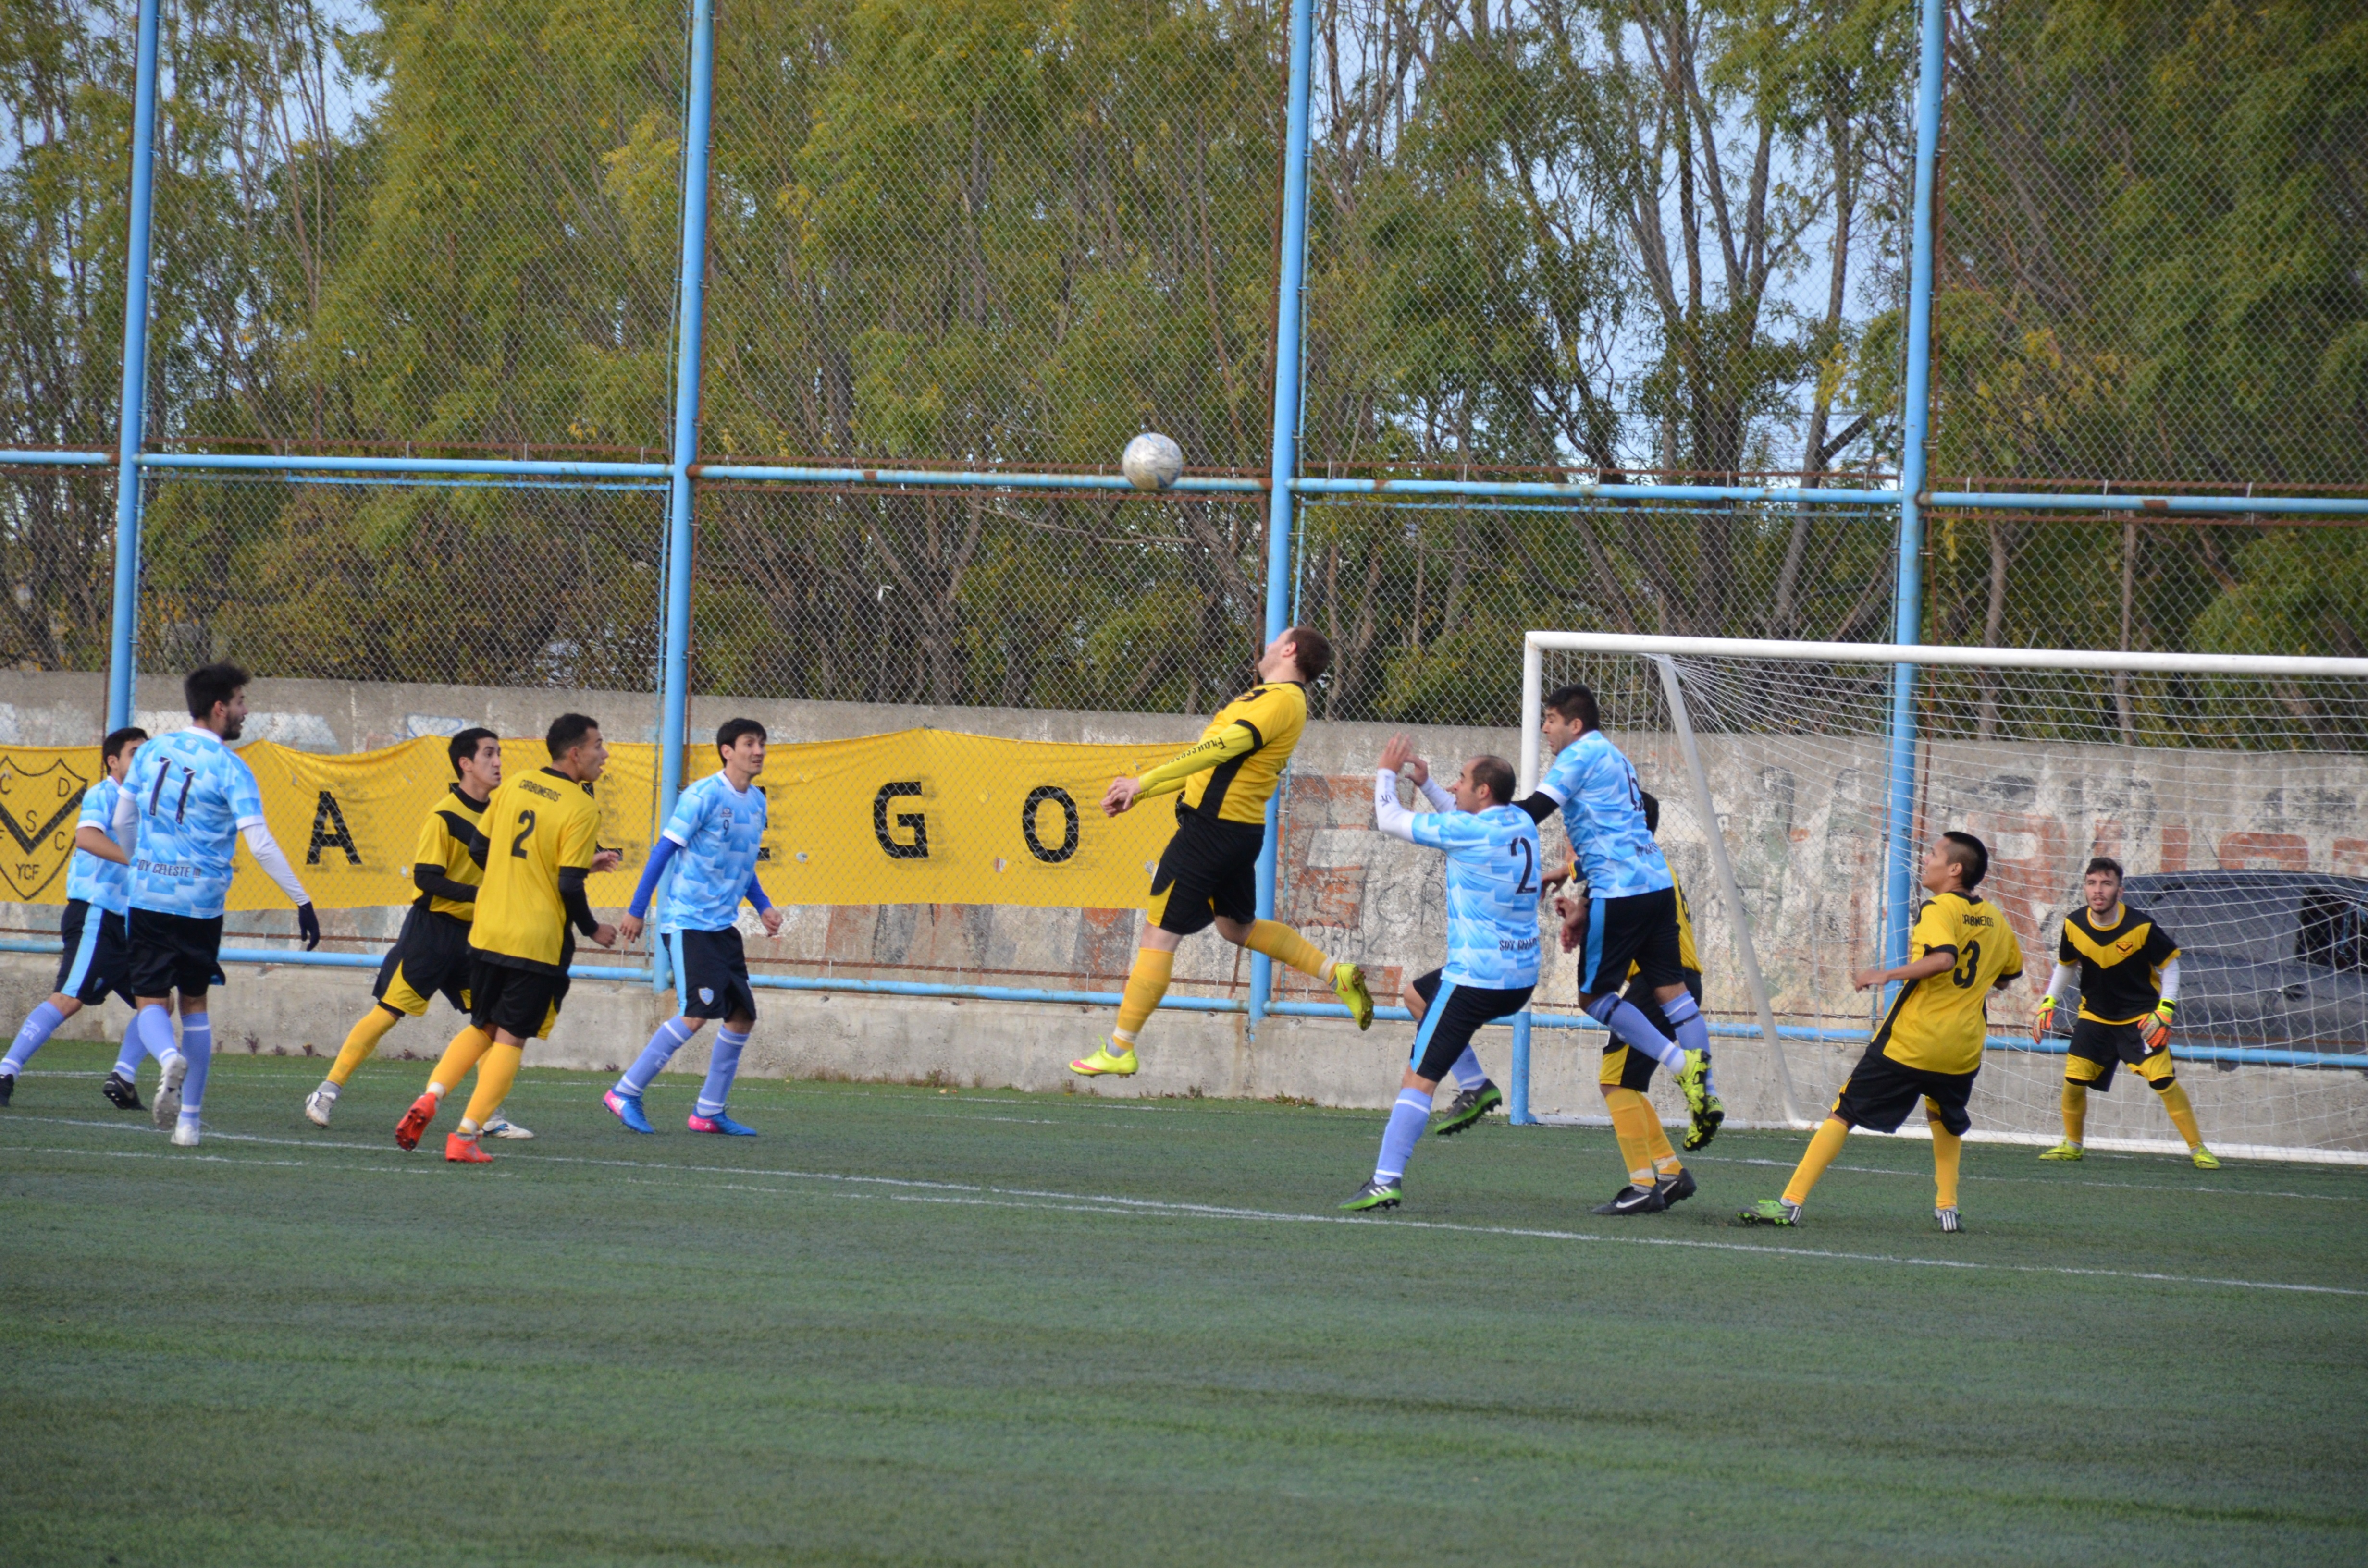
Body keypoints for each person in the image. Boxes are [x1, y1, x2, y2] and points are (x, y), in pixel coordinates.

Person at [1069, 626, 1375, 1078]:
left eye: (1277, 640)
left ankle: (1119, 1049)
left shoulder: (1282, 700)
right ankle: (1335, 973)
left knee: (1158, 935)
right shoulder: (1269, 698)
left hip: (1210, 832)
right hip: (1235, 831)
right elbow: (1209, 760)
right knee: (1237, 928)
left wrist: (1144, 781)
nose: (1268, 645)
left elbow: (1219, 749)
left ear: (1290, 649)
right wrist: (1143, 792)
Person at [1740, 832, 2022, 1233]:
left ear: (1955, 869)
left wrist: (1886, 974)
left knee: (1844, 1111)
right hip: (1963, 1048)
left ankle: (1790, 1203)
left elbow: (1944, 959)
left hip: (1914, 1041)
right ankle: (1948, 1208)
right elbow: (2007, 977)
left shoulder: (1938, 908)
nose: (1926, 859)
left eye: (1934, 854)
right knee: (1943, 1116)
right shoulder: (1996, 918)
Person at [1513, 684, 1717, 1200]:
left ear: (1574, 725)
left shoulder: (1578, 756)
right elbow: (1605, 839)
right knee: (1675, 995)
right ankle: (1703, 1093)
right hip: (1651, 890)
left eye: (1551, 719)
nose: (1545, 727)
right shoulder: (1617, 759)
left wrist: (1470, 817)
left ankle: (1649, 1169)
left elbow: (1533, 810)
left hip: (1622, 894)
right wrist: (1579, 899)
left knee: (1593, 1000)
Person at [113, 664, 321, 1147]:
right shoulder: (232, 768)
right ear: (220, 707)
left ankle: (167, 1057)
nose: (246, 711)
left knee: (150, 1001)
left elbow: (123, 819)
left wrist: (139, 863)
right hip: (202, 904)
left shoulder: (151, 752)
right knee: (195, 1005)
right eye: (241, 702)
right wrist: (302, 898)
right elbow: (261, 844)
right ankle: (188, 1124)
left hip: (149, 896)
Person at [395, 713, 617, 1164]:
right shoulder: (581, 807)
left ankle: (431, 1095)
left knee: (483, 1025)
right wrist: (592, 928)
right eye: (598, 745)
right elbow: (569, 884)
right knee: (511, 1038)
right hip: (535, 940)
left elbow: (481, 848)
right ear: (575, 753)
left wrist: (513, 879)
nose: (605, 754)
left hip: (488, 931)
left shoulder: (516, 784)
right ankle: (465, 1136)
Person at [1339, 737, 1541, 1211]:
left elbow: (1390, 819)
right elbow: (1460, 818)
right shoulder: (1520, 821)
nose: (1455, 786)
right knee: (1415, 995)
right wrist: (1428, 785)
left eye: (1462, 780)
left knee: (1418, 1078)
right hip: (1520, 976)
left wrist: (1386, 772)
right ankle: (1475, 1085)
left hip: (1475, 981)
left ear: (1483, 792)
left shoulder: (1469, 831)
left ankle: (1385, 1180)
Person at [303, 728, 531, 1139]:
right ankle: (326, 1091)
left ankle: (487, 1115)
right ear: (466, 764)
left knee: (493, 1022)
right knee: (387, 1014)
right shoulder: (444, 816)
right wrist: (482, 896)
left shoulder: (501, 816)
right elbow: (427, 879)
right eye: (489, 754)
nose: (498, 762)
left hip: (475, 939)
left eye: (499, 753)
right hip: (431, 933)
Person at [606, 718, 784, 1136]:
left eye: (762, 743)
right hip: (689, 924)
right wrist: (637, 910)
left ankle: (708, 1112)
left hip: (722, 927)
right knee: (696, 1014)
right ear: (727, 751)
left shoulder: (757, 801)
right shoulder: (702, 795)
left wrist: (763, 906)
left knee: (741, 1017)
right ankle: (625, 1092)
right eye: (749, 743)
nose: (758, 751)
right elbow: (662, 852)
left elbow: (743, 862)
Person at [1548, 790, 1710, 1213]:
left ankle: (1642, 1185)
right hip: (1673, 984)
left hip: (1660, 988)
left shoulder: (1633, 868)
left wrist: (1565, 875)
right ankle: (1670, 1172)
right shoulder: (1647, 866)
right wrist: (1581, 910)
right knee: (1624, 1082)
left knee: (1615, 1081)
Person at [0, 727, 149, 1110]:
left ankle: (123, 1078)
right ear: (113, 761)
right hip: (97, 915)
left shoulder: (147, 804)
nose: (144, 760)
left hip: (129, 925)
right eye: (135, 753)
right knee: (69, 999)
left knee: (157, 1004)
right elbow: (86, 838)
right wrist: (138, 861)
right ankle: (5, 1072)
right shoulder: (105, 794)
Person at [2034, 856, 2216, 1168]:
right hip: (2094, 1016)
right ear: (2085, 888)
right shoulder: (2074, 924)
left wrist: (2165, 1010)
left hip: (2141, 1018)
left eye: (2106, 884)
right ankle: (2073, 1145)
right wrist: (2049, 1001)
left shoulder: (2141, 926)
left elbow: (2170, 966)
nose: (2098, 890)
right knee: (2073, 1081)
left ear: (2120, 891)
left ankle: (2198, 1148)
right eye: (2092, 883)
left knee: (2163, 1082)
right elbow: (2066, 965)